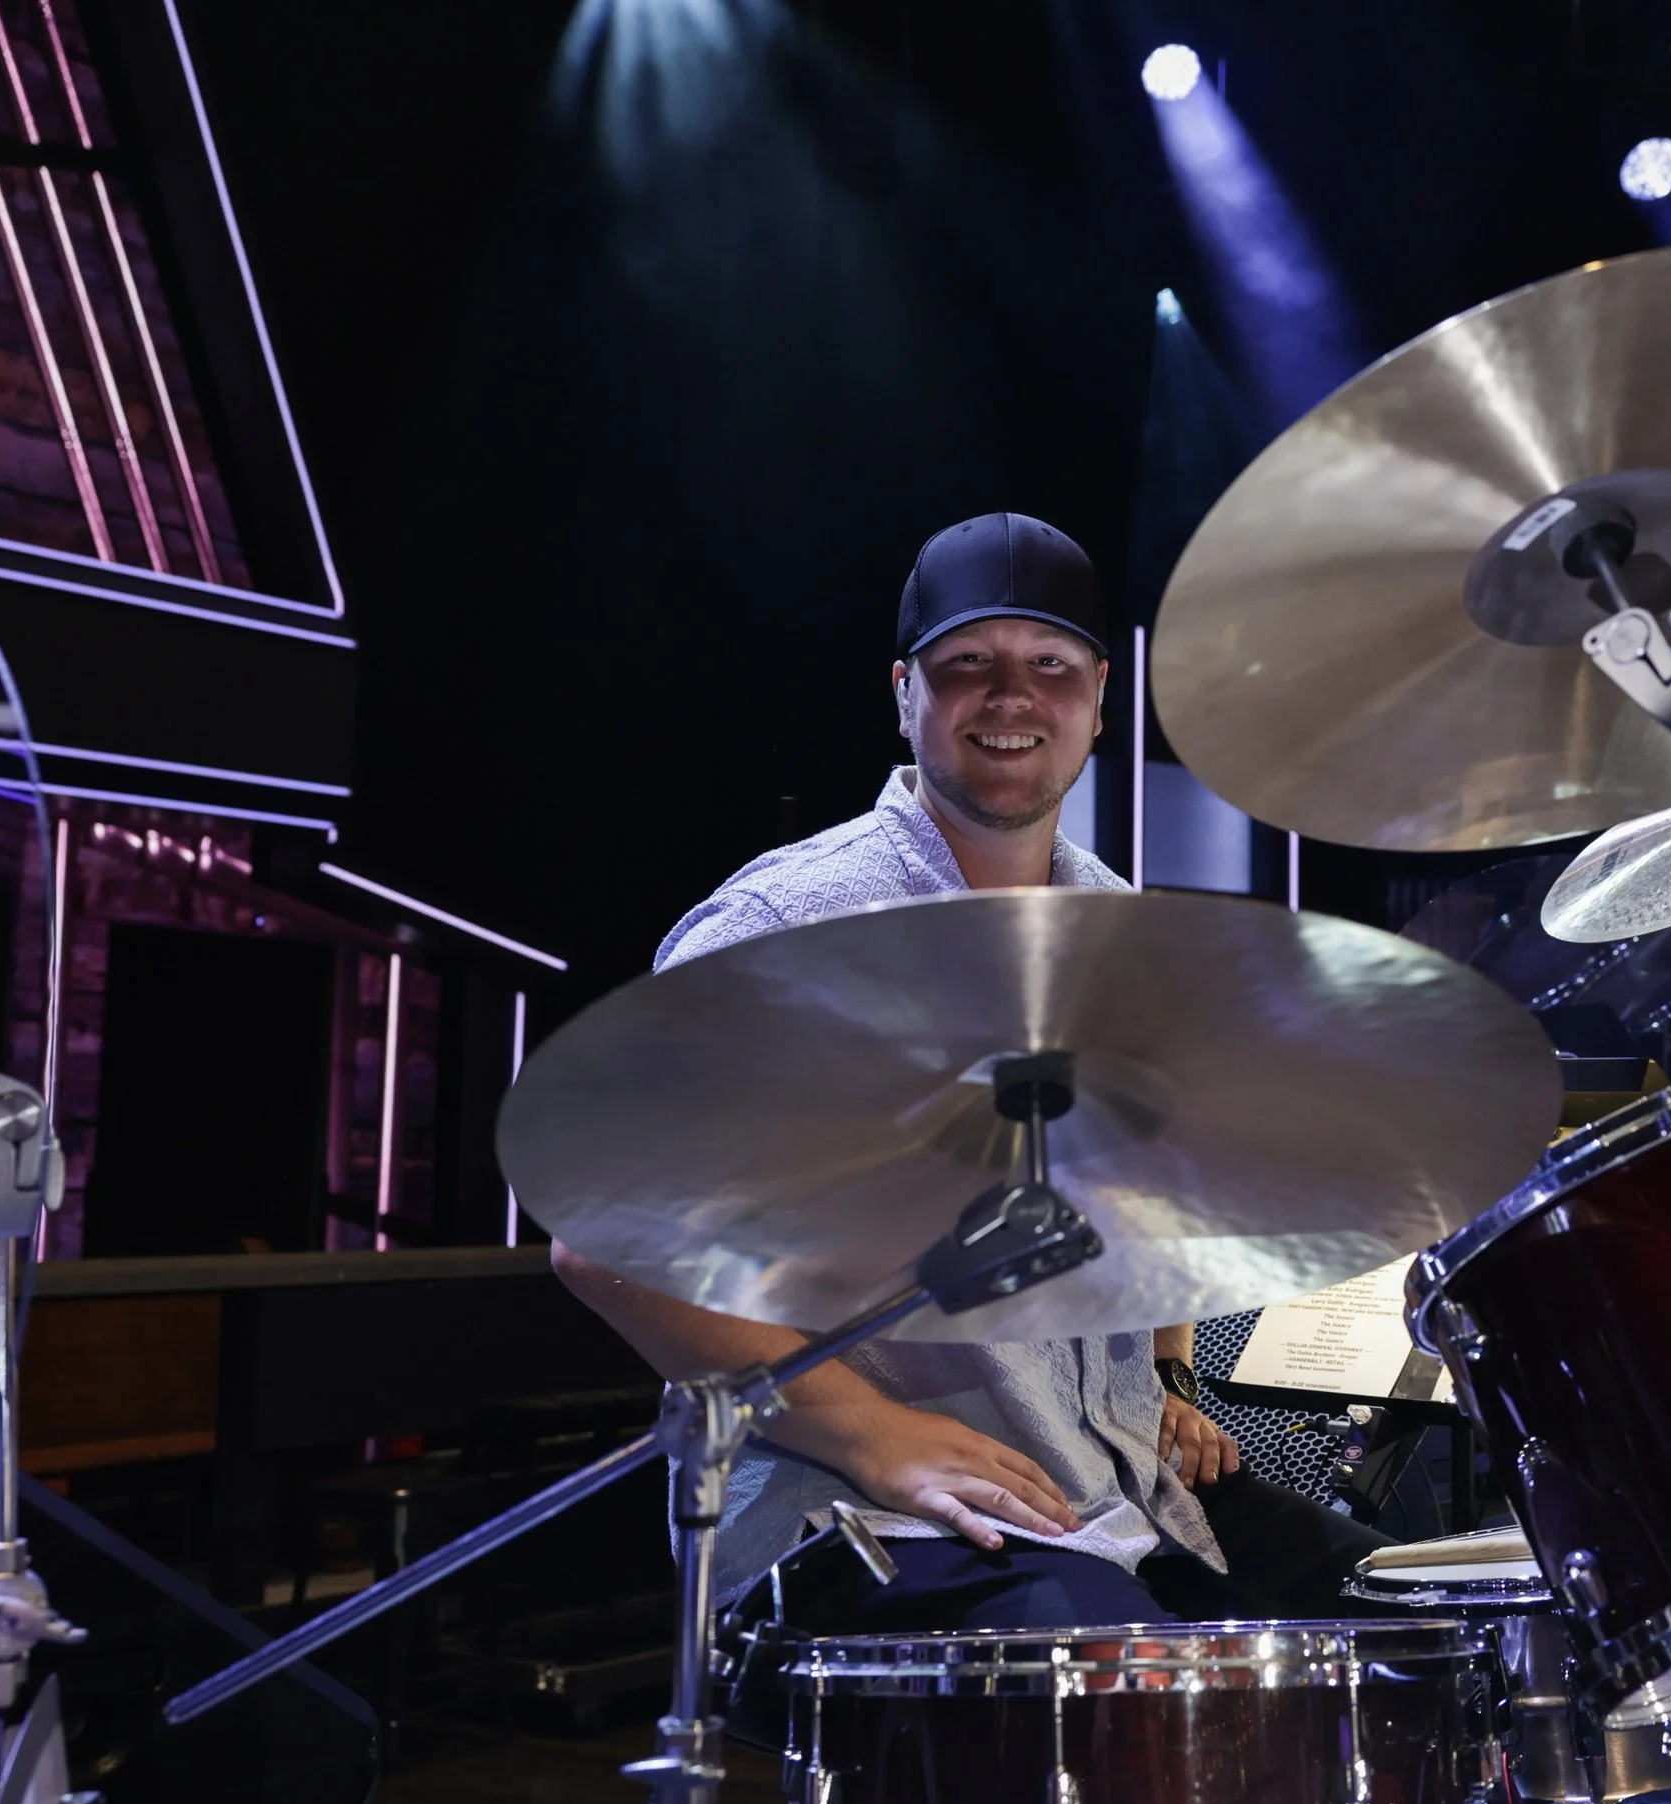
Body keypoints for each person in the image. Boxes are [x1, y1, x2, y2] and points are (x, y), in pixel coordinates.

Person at [554, 512, 1392, 1634]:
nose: (1012, 696)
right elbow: (604, 1235)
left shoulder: (1126, 935)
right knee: (1113, 1687)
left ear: (1098, 699)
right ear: (905, 693)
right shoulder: (782, 926)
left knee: (1412, 1613)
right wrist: (865, 1428)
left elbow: (1153, 1206)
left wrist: (1168, 1378)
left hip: (1113, 1489)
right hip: (855, 1508)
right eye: (967, 667)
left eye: (1049, 665)